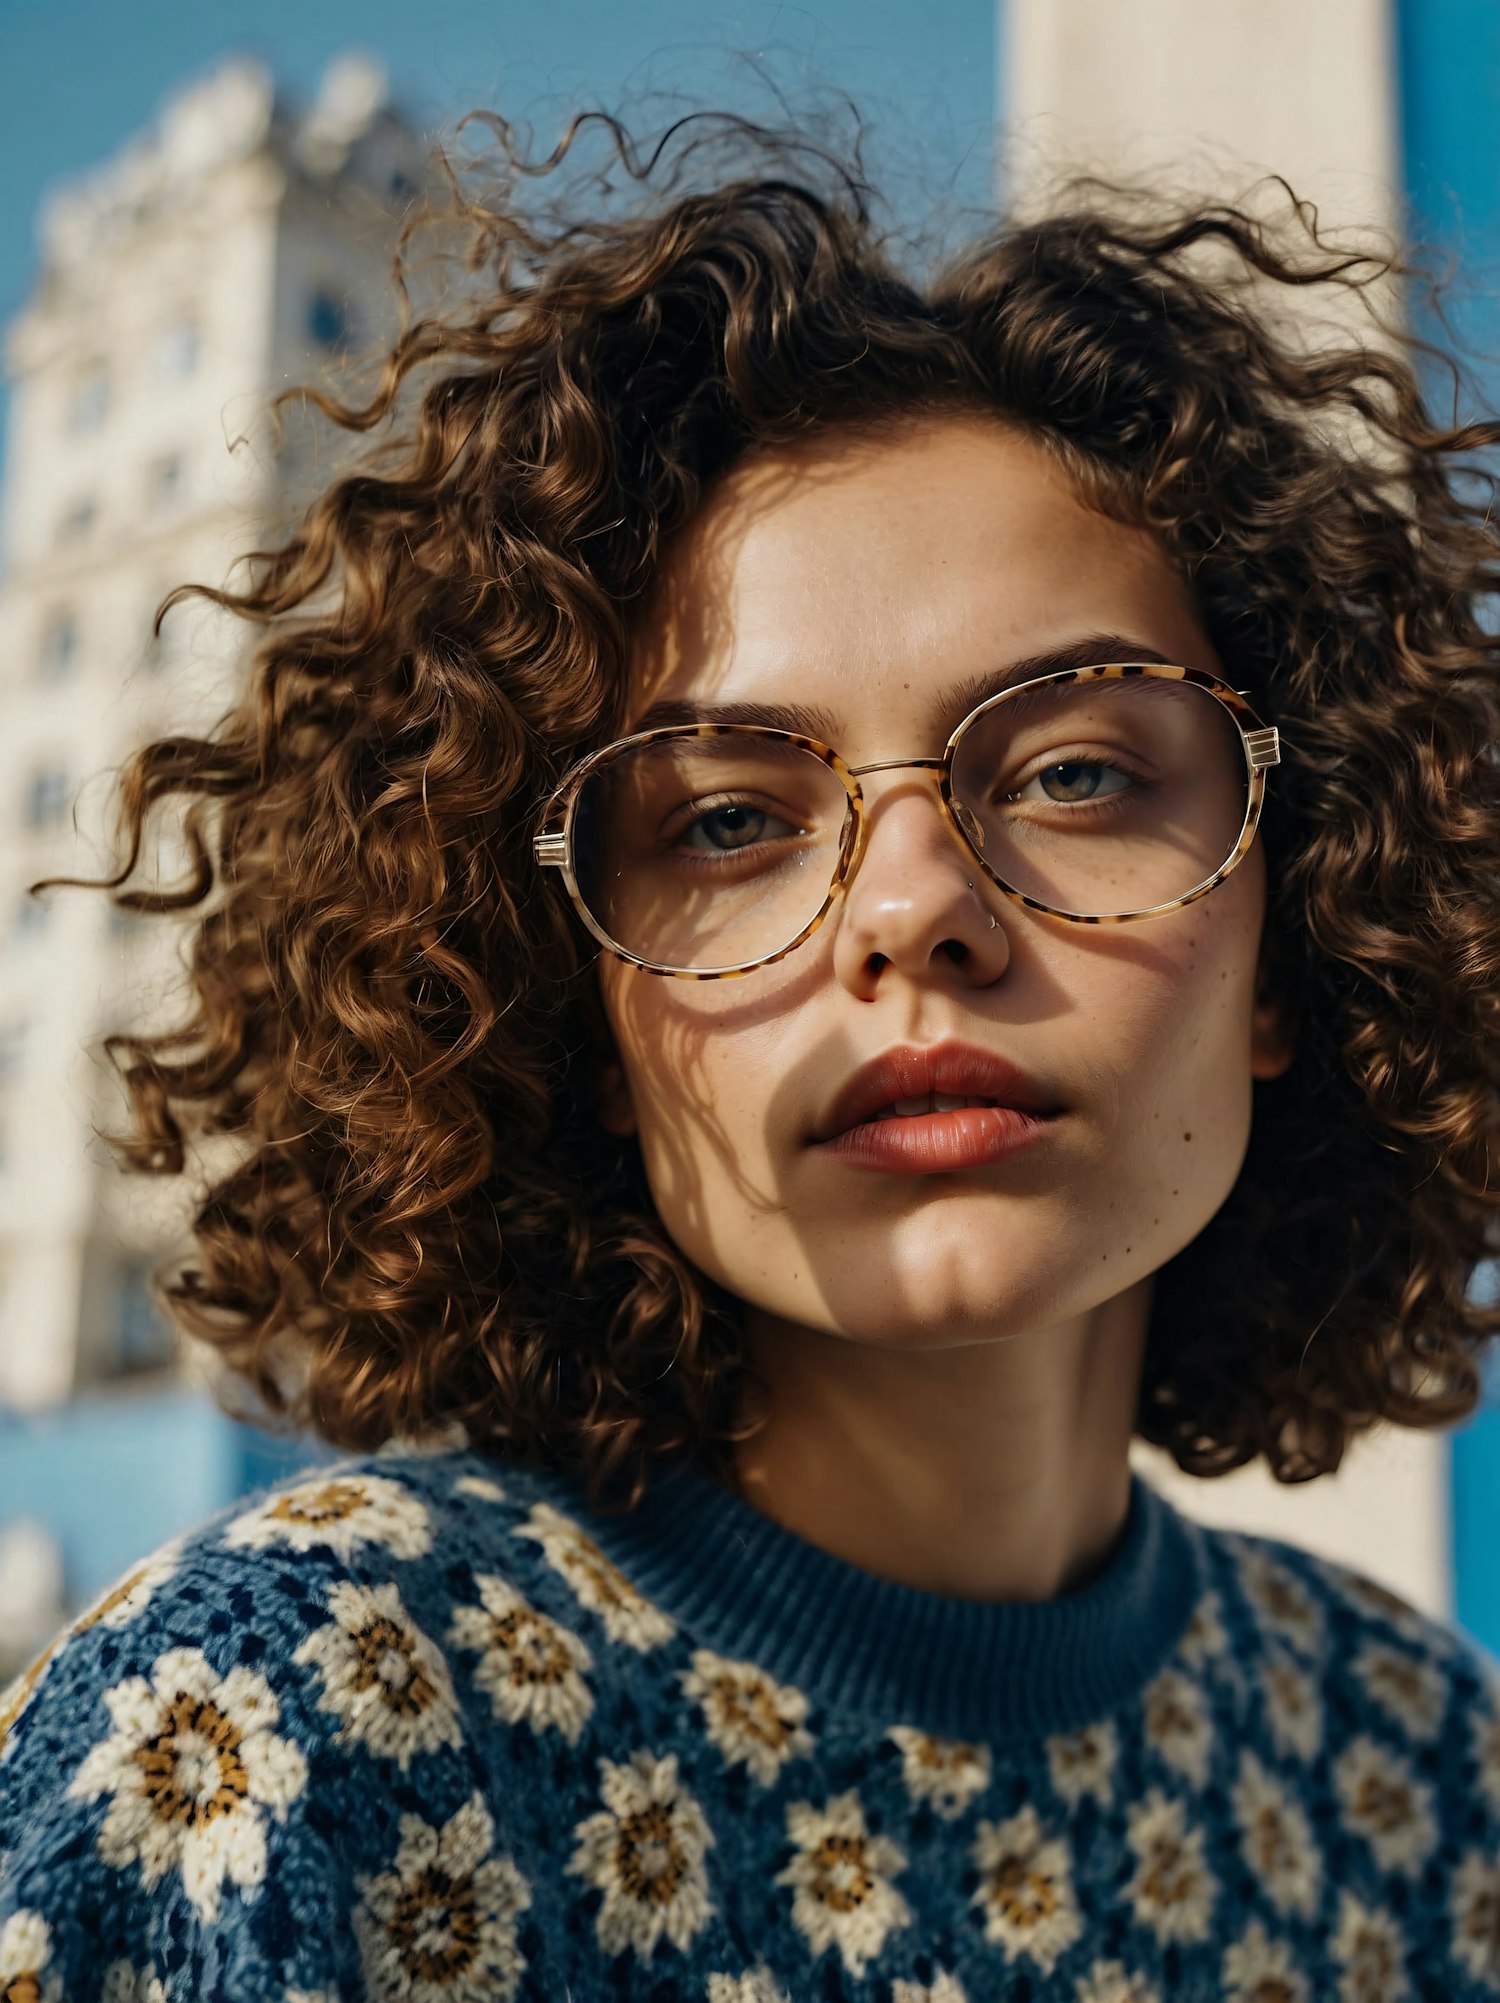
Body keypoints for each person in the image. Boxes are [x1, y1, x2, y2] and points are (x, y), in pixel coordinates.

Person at [3, 108, 1500, 2003]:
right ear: (574, 1004)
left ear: (1298, 926)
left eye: (1074, 772)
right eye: (724, 820)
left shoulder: (1424, 1781)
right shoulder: (284, 1728)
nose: (912, 910)